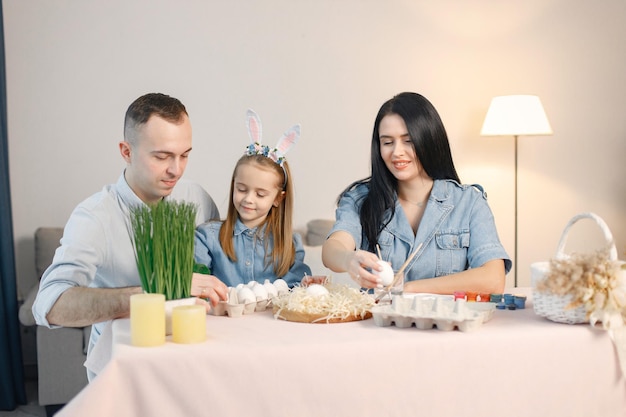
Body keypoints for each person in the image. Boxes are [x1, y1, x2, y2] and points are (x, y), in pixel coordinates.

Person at [32, 93, 225, 378]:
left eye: (184, 155)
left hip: (191, 363)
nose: (176, 170)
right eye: (162, 156)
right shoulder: (95, 217)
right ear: (126, 151)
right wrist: (152, 293)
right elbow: (49, 305)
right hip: (123, 372)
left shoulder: (195, 197)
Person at [322, 92, 511, 294]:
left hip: (446, 323)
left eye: (408, 141)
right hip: (380, 323)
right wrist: (348, 259)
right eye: (387, 142)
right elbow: (332, 249)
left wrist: (408, 288)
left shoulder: (469, 202)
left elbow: (493, 279)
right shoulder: (361, 199)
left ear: (428, 140)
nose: (396, 152)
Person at [194, 110, 312, 290]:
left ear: (278, 199)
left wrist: (308, 286)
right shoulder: (207, 237)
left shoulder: (290, 244)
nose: (248, 199)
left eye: (260, 194)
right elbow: (196, 284)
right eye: (241, 189)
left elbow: (296, 290)